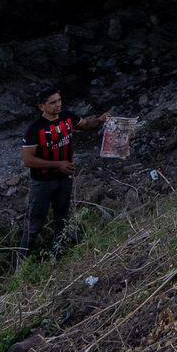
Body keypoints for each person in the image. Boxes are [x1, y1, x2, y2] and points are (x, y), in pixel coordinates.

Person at [20, 88, 109, 254]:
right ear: (42, 106)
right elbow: (28, 160)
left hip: (64, 178)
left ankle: (58, 253)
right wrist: (57, 164)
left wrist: (100, 119)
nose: (57, 105)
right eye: (52, 102)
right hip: (43, 182)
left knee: (62, 217)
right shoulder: (35, 129)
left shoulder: (67, 117)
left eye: (59, 100)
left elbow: (86, 125)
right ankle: (22, 262)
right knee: (35, 222)